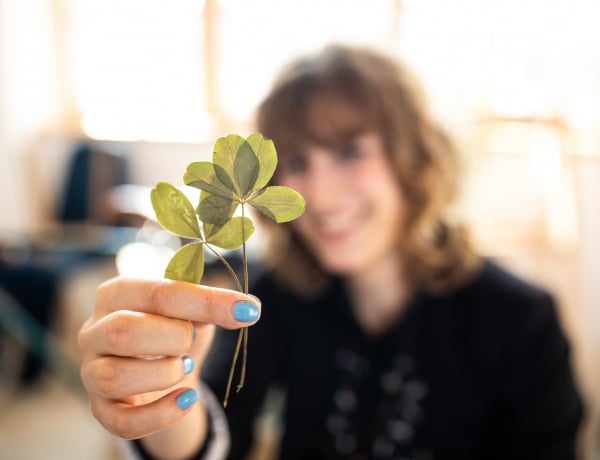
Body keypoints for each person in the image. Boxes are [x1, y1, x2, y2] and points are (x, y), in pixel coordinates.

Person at [78, 44, 583, 460]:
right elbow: (218, 433)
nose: (317, 194)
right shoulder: (272, 297)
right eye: (296, 162)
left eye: (349, 151)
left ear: (413, 158)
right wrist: (162, 402)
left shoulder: (521, 319)